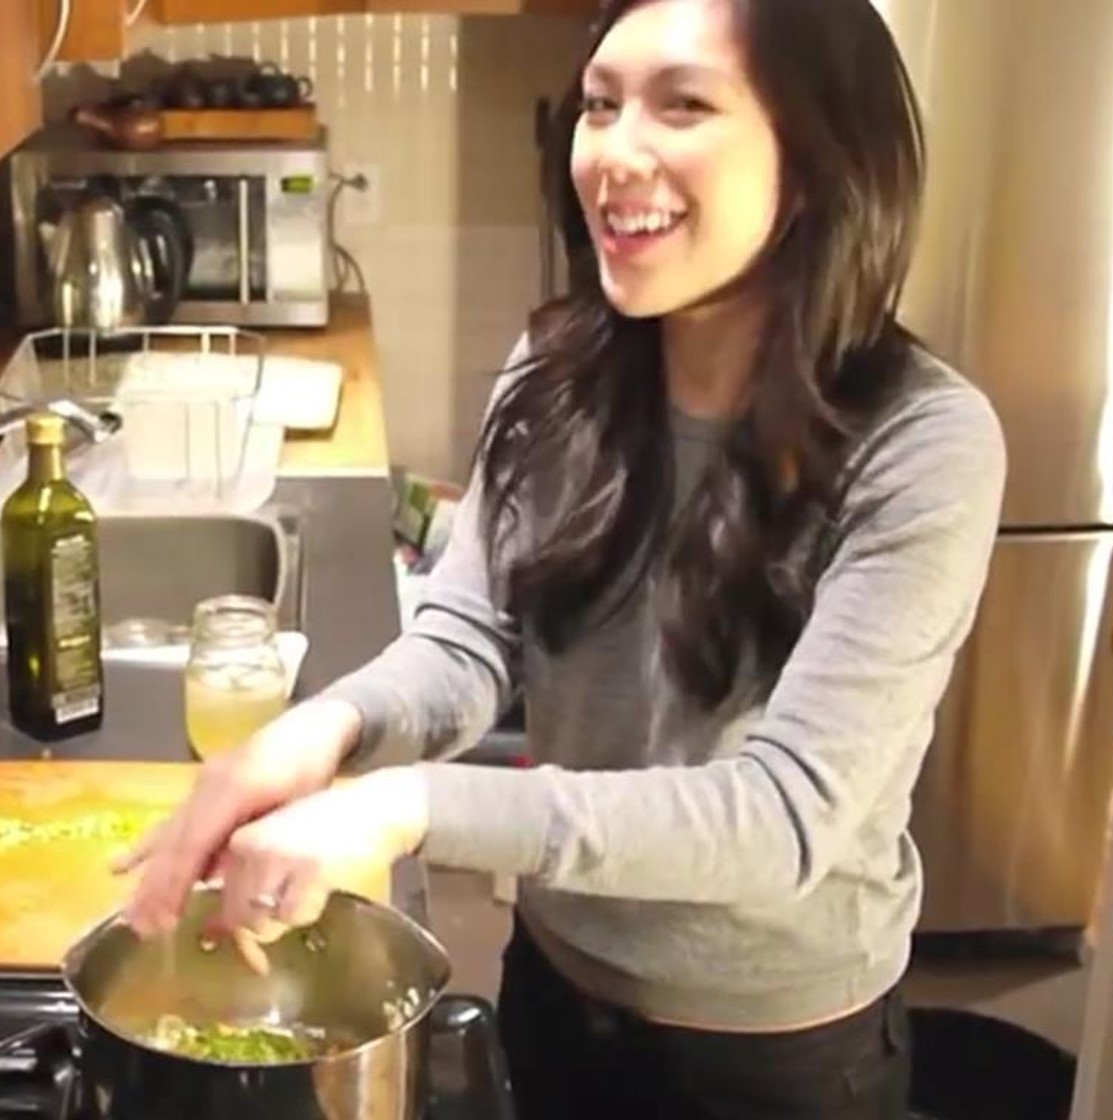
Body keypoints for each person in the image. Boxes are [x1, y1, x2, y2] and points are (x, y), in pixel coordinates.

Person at [119, 0, 1007, 1116]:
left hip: (772, 1049)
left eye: (682, 104)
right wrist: (312, 735)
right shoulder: (558, 366)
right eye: (598, 105)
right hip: (557, 981)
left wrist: (404, 807)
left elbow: (783, 815)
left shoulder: (922, 440)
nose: (614, 153)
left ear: (823, 160)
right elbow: (467, 641)